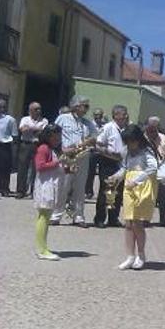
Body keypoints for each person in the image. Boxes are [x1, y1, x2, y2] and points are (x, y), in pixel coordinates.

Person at [108, 125, 158, 270]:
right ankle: (130, 256)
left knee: (137, 223)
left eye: (131, 141)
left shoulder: (147, 152)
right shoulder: (128, 152)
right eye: (127, 142)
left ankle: (141, 255)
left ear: (138, 139)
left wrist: (136, 180)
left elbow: (152, 168)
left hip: (142, 188)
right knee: (128, 223)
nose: (129, 144)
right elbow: (124, 168)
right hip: (129, 188)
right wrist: (115, 177)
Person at [52, 95, 97, 226]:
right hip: (67, 157)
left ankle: (79, 216)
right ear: (76, 106)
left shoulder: (88, 123)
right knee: (63, 186)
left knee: (80, 188)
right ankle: (56, 215)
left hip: (82, 158)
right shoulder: (63, 118)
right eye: (85, 106)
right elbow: (54, 134)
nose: (87, 109)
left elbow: (95, 137)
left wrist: (89, 140)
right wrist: (62, 149)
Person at [32, 124, 65, 260]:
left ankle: (43, 247)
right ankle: (41, 249)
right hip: (45, 185)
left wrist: (67, 169)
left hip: (51, 184)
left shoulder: (52, 149)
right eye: (55, 136)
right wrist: (57, 163)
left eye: (58, 135)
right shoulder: (43, 148)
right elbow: (40, 166)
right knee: (44, 216)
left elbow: (53, 168)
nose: (57, 138)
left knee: (46, 215)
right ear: (48, 136)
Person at [93, 105, 128, 228]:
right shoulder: (108, 127)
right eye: (123, 114)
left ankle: (114, 218)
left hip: (122, 164)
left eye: (126, 114)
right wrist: (110, 154)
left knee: (117, 192)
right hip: (108, 162)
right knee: (106, 191)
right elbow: (98, 144)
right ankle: (100, 218)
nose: (126, 116)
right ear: (116, 115)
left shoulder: (126, 129)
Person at [144, 116, 165, 227]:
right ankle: (145, 219)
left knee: (163, 197)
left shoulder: (163, 138)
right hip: (147, 171)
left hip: (162, 171)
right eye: (151, 127)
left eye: (156, 127)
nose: (153, 129)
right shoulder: (142, 139)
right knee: (147, 197)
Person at [16, 102, 49, 199]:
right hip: (25, 145)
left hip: (38, 146)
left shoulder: (44, 120)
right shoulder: (25, 119)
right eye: (36, 109)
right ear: (30, 111)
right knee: (22, 168)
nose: (38, 111)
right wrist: (36, 129)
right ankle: (21, 191)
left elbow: (43, 133)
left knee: (37, 169)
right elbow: (22, 129)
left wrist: (30, 128)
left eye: (39, 109)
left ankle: (34, 191)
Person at [0, 99, 18, 196]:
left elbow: (14, 135)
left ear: (3, 108)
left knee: (4, 168)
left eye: (0, 107)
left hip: (4, 145)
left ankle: (4, 188)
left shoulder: (10, 119)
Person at [85, 108, 107, 199]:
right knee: (90, 172)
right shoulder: (90, 125)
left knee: (103, 173)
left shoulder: (105, 126)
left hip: (102, 152)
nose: (98, 118)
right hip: (92, 151)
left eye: (100, 116)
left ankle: (102, 193)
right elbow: (87, 137)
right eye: (96, 116)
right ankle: (89, 191)